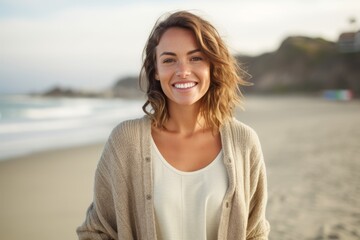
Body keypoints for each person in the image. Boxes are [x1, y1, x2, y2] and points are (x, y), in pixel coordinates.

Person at [77, 10, 270, 240]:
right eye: (169, 60)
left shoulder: (243, 142)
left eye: (195, 58)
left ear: (211, 65)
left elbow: (255, 232)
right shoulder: (126, 142)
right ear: (156, 71)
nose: (183, 71)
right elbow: (96, 231)